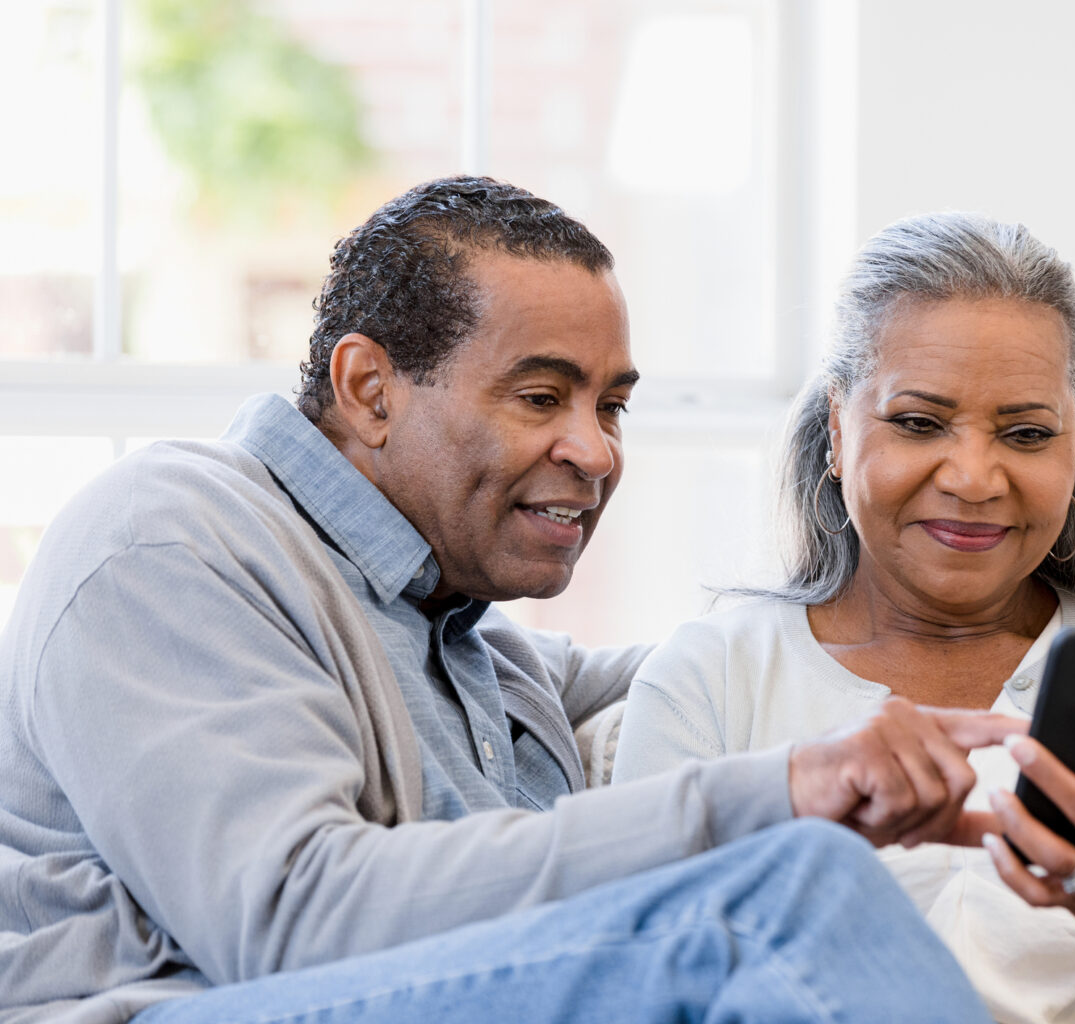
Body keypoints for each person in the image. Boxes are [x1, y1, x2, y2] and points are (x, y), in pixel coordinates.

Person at [0, 178, 1022, 1023]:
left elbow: (733, 658)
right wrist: (776, 793)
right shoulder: (170, 538)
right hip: (175, 1007)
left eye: (611, 405)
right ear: (369, 389)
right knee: (777, 907)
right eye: (542, 397)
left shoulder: (462, 636)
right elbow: (286, 919)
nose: (596, 450)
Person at [613, 212, 1075, 1023]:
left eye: (1026, 433)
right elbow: (635, 994)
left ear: (1074, 444)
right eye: (918, 422)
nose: (975, 477)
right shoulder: (709, 680)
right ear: (837, 428)